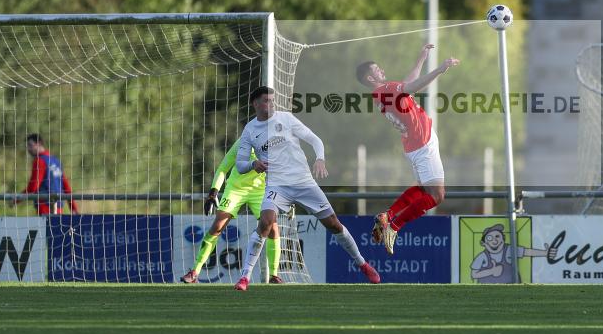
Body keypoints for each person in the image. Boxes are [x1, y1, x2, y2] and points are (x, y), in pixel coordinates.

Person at [233, 86, 380, 290]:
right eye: (266, 100)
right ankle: (245, 277)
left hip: (303, 182)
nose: (271, 104)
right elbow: (240, 165)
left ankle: (362, 263)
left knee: (333, 224)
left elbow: (314, 139)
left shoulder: (286, 119)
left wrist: (320, 159)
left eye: (273, 100)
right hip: (277, 185)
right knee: (266, 222)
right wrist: (252, 164)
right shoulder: (250, 130)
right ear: (255, 103)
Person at [355, 44, 460, 255]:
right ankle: (394, 226)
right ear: (370, 78)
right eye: (377, 69)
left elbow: (408, 84)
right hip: (422, 143)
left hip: (415, 143)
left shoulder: (381, 93)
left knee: (423, 190)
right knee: (437, 195)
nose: (381, 70)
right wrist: (440, 69)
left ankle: (388, 216)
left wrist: (421, 58)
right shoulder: (384, 90)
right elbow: (413, 87)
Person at [180, 138, 282, 284]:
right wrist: (212, 194)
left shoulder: (278, 145)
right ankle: (194, 272)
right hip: (236, 189)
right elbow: (223, 168)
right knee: (217, 226)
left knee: (273, 227)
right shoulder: (243, 142)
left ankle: (274, 276)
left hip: (260, 192)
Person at [469, 224, 557, 284]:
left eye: (497, 236)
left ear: (503, 239)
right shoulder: (482, 256)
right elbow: (474, 274)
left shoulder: (509, 250)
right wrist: (491, 271)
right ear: (483, 243)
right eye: (489, 238)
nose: (494, 240)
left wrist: (545, 253)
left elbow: (526, 252)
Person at [19, 134, 78, 215]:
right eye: (27, 146)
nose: (28, 149)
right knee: (57, 227)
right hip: (58, 207)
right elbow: (66, 187)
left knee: (46, 227)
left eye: (30, 145)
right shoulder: (56, 161)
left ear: (39, 143)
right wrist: (73, 208)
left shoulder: (40, 161)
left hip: (44, 206)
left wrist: (17, 199)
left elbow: (32, 187)